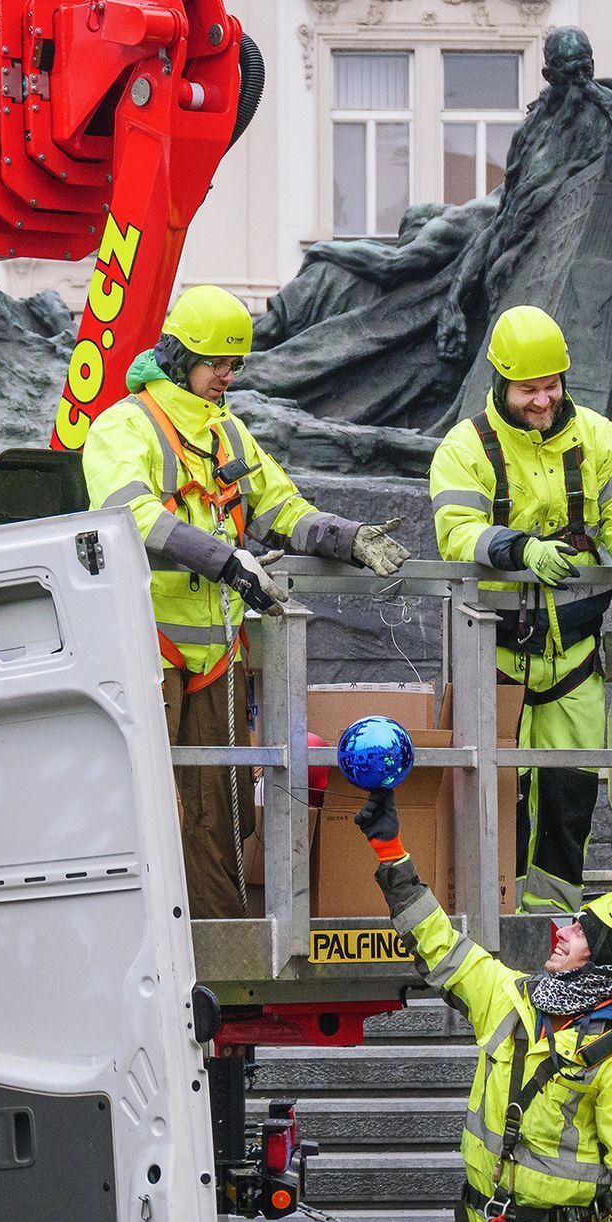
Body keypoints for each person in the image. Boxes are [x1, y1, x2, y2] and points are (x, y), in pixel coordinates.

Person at [82, 285, 411, 918]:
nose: (226, 378)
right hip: (143, 648)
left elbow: (282, 511)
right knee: (143, 806)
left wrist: (349, 539)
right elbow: (129, 516)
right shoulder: (124, 427)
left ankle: (220, 942)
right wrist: (226, 560)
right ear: (179, 357)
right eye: (215, 365)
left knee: (225, 809)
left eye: (235, 366)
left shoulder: (230, 433)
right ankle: (144, 939)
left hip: (216, 655)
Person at [355, 783, 612, 1222]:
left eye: (583, 932)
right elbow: (440, 945)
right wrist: (390, 851)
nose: (562, 932)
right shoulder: (512, 998)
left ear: (609, 961)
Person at [430, 305, 612, 913]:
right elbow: (456, 532)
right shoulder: (466, 446)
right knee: (498, 800)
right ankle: (501, 924)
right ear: (502, 383)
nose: (542, 400)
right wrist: (519, 550)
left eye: (551, 385)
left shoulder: (598, 438)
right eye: (528, 389)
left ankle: (555, 930)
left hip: (575, 658)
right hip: (496, 658)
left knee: (569, 806)